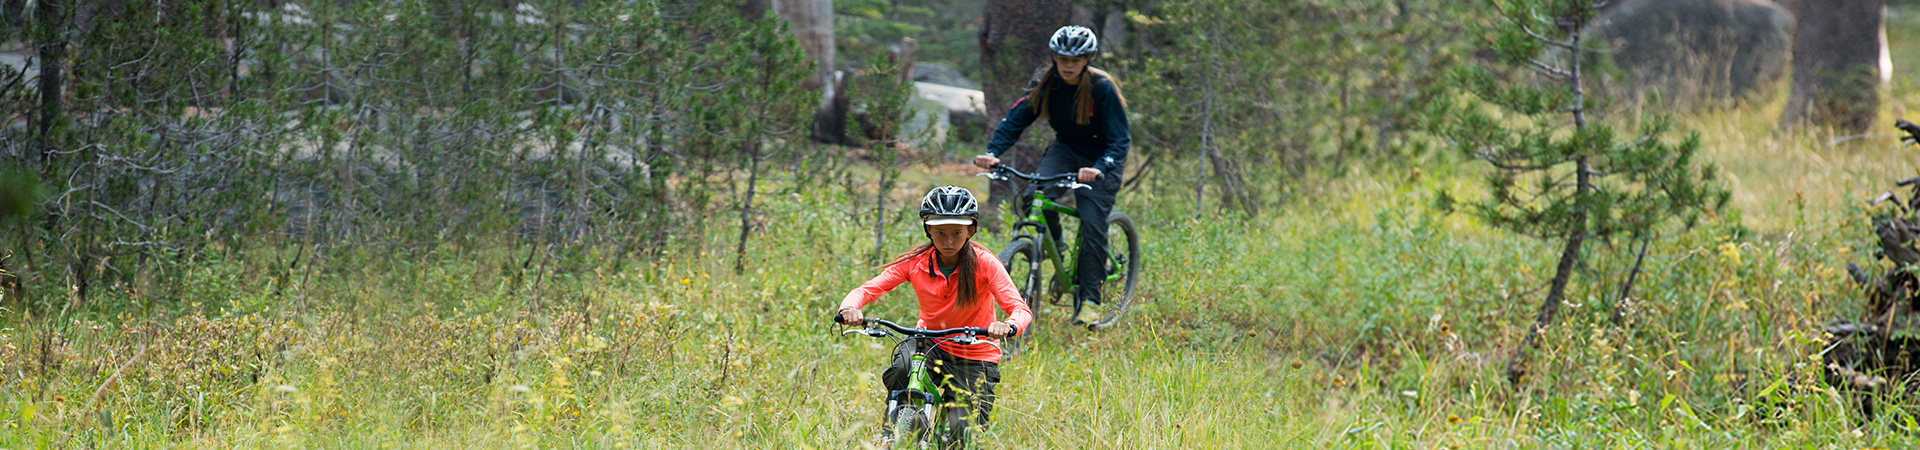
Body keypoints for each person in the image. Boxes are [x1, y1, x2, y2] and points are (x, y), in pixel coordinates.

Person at [836, 186, 1034, 440]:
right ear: (927, 228)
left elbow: (1019, 308)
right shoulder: (915, 261)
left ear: (970, 231)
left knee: (963, 435)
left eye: (956, 233)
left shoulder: (985, 263)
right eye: (940, 233)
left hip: (975, 353)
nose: (948, 241)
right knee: (903, 367)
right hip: (928, 342)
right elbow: (867, 290)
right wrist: (849, 308)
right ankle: (893, 431)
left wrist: (1008, 325)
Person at [973, 25, 1130, 319]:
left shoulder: (1102, 88)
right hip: (1066, 150)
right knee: (1033, 197)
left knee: (1092, 221)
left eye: (1074, 60)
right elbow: (1015, 120)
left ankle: (1091, 301)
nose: (1067, 65)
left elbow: (1121, 140)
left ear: (1087, 60)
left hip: (1101, 159)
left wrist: (1099, 168)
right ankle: (1055, 243)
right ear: (1054, 58)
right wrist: (993, 153)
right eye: (1062, 59)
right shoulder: (1048, 85)